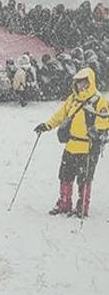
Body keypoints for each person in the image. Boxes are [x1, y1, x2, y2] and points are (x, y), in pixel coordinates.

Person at [35, 68, 109, 217]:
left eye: (83, 82)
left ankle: (82, 208)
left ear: (90, 82)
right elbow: (60, 115)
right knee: (65, 176)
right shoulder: (73, 99)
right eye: (78, 82)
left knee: (85, 179)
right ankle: (64, 203)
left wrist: (97, 132)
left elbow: (104, 121)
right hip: (71, 145)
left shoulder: (98, 101)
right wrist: (47, 125)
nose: (80, 85)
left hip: (88, 148)